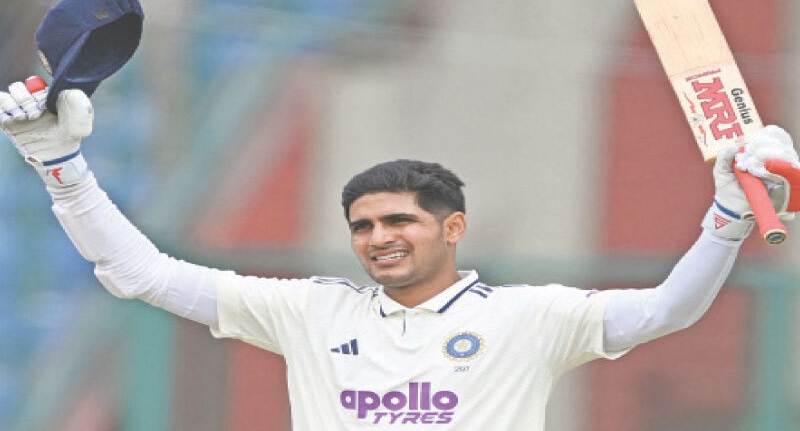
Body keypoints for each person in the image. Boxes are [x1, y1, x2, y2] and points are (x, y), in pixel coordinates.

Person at [1, 83, 799, 430]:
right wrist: (60, 168)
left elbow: (666, 311)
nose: (378, 237)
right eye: (363, 225)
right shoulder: (311, 311)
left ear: (453, 228)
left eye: (400, 221)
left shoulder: (530, 317)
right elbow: (143, 274)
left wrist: (728, 216)